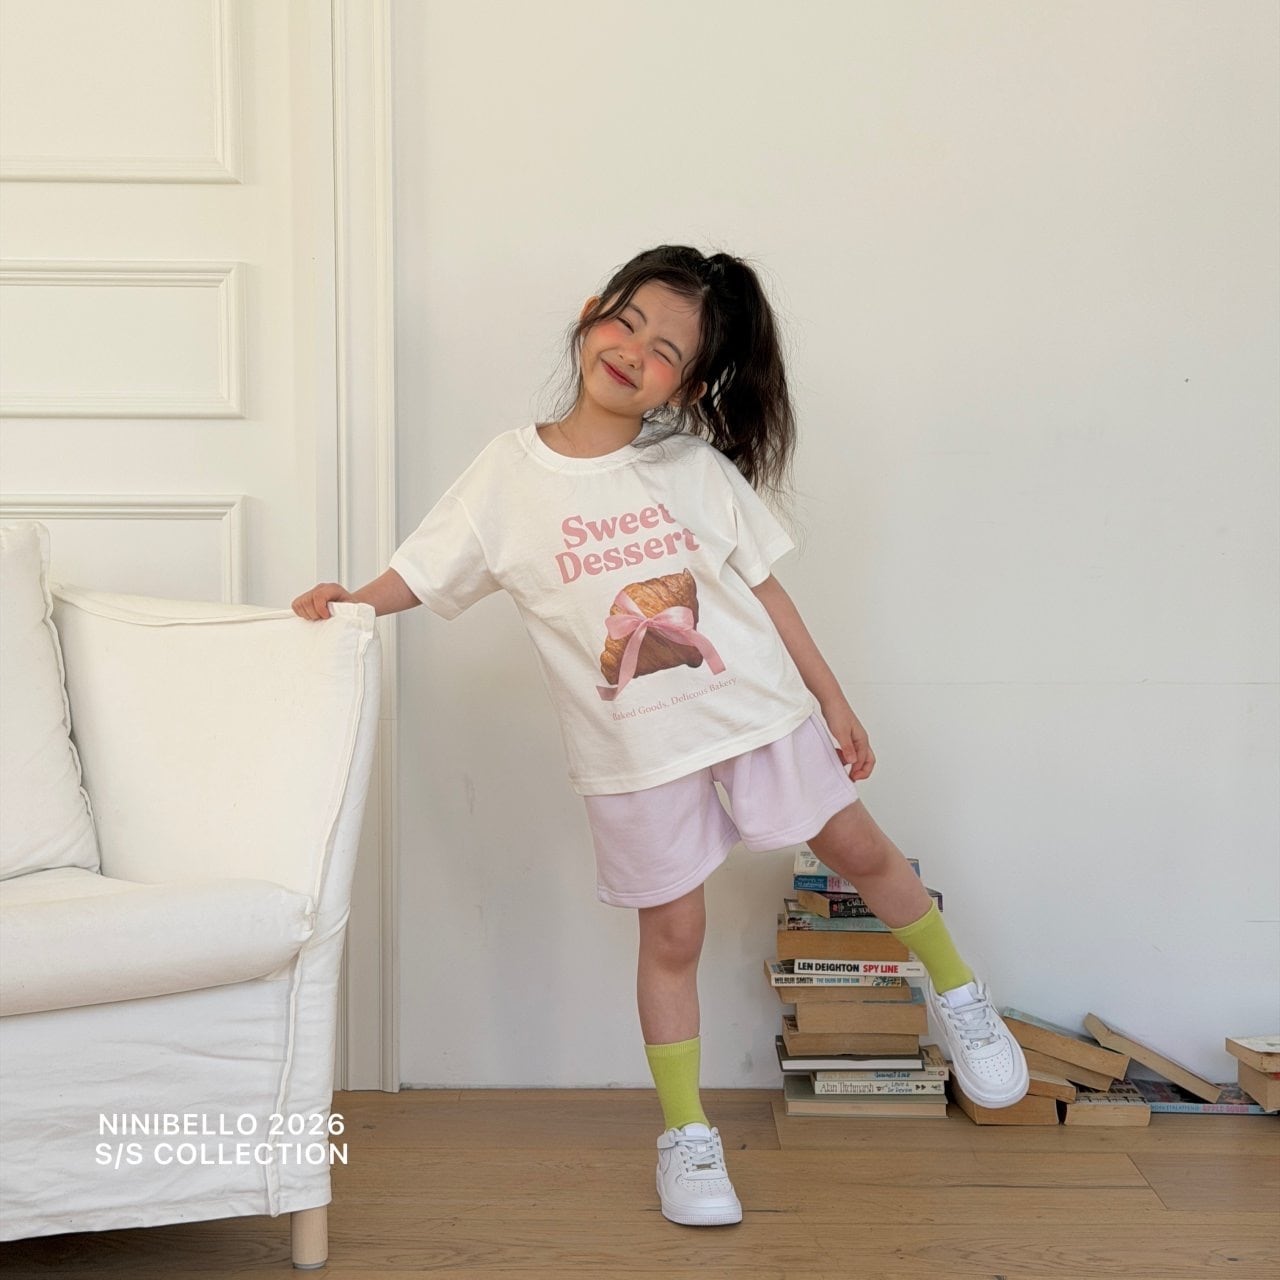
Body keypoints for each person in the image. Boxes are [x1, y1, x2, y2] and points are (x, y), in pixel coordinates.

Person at [292, 244, 1029, 1228]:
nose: (634, 351)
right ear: (592, 312)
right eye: (627, 322)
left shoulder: (691, 470)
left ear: (686, 387)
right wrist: (352, 599)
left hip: (753, 713)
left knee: (858, 848)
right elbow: (425, 571)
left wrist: (832, 700)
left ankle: (960, 991)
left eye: (667, 351)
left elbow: (766, 594)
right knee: (672, 933)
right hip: (632, 754)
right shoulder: (507, 473)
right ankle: (686, 1135)